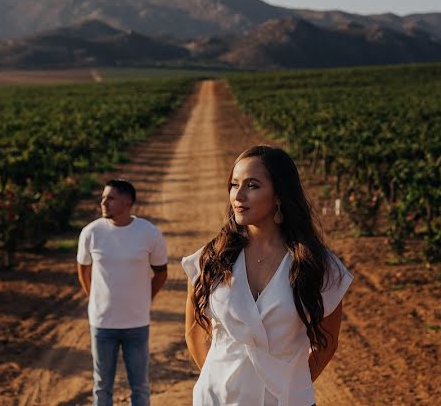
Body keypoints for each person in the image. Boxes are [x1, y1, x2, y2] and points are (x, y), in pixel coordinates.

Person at [182, 145, 352, 406]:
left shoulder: (318, 265)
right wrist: (222, 382)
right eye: (234, 184)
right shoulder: (212, 258)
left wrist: (288, 383)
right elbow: (194, 333)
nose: (238, 195)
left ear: (279, 194)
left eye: (252, 185)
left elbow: (326, 344)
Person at [77, 179, 168, 406]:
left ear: (127, 202)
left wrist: (146, 299)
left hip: (136, 323)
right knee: (102, 386)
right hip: (102, 324)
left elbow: (161, 273)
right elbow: (83, 270)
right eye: (103, 197)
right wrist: (96, 300)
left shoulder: (149, 233)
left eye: (110, 198)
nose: (103, 202)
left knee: (139, 386)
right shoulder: (91, 232)